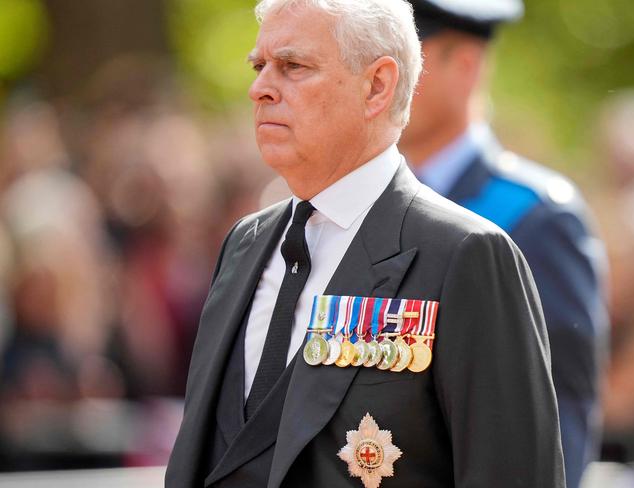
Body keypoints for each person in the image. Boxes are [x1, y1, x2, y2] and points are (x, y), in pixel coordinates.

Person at [166, 1, 565, 487]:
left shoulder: (465, 254)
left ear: (377, 85)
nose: (260, 88)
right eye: (259, 66)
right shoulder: (245, 244)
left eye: (293, 66)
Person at [399, 2, 610, 487]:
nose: (378, 79)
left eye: (405, 59)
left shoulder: (536, 216)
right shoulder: (367, 203)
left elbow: (561, 412)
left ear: (466, 66)